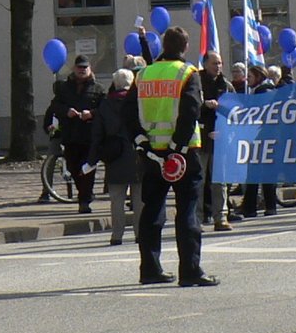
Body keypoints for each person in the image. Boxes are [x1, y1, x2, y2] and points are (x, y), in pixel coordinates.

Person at [124, 26, 218, 287]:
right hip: (184, 155)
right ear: (185, 47)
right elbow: (190, 113)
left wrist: (142, 143)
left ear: (163, 46)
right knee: (187, 210)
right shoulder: (188, 73)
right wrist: (176, 150)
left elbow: (129, 113)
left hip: (152, 154)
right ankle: (190, 270)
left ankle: (150, 269)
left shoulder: (143, 74)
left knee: (152, 210)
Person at [87, 69, 143, 246]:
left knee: (116, 199)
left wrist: (92, 160)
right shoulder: (138, 102)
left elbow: (97, 135)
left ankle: (116, 235)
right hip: (137, 154)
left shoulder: (105, 105)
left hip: (115, 155)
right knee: (139, 199)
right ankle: (140, 233)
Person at [46, 55, 106, 213]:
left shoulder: (98, 89)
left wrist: (91, 113)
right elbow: (54, 107)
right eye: (79, 67)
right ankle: (84, 193)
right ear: (74, 69)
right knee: (73, 167)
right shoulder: (65, 88)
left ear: (90, 69)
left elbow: (105, 110)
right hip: (71, 135)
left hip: (89, 136)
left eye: (85, 67)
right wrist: (67, 111)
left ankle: (84, 201)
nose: (82, 70)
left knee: (88, 169)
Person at [198, 51, 235, 231]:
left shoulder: (226, 85)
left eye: (220, 63)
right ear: (205, 64)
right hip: (199, 139)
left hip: (220, 139)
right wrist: (204, 105)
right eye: (214, 63)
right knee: (198, 181)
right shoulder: (196, 83)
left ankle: (221, 217)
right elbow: (188, 106)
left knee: (220, 181)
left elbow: (237, 111)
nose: (218, 67)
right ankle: (196, 218)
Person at [240, 65, 278, 218]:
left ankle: (250, 207)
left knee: (254, 173)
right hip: (266, 136)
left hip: (262, 137)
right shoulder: (264, 91)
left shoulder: (264, 92)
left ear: (258, 77)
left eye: (249, 76)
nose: (246, 79)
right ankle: (269, 206)